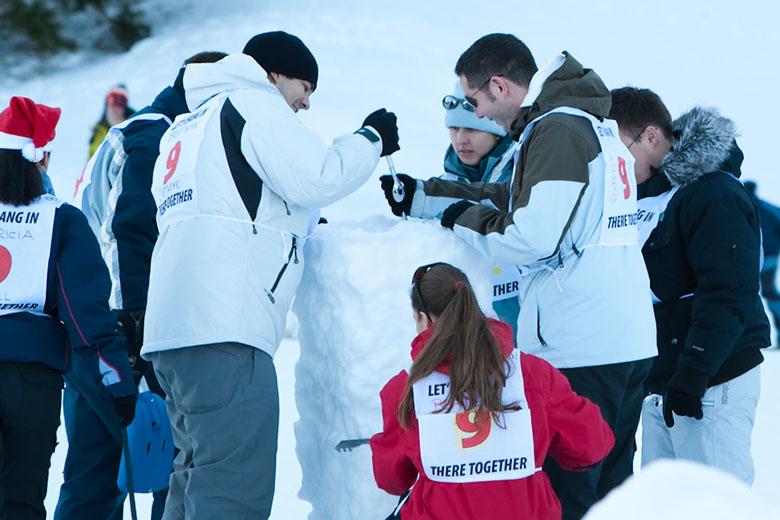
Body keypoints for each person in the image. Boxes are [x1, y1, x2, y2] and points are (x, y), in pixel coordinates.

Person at [380, 34, 656, 519]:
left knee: (571, 499)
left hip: (583, 338)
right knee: (613, 498)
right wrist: (427, 197)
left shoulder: (559, 128)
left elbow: (533, 236)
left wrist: (456, 217)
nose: (475, 114)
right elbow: (517, 198)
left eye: (474, 100)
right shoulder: (586, 123)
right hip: (623, 338)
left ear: (499, 85)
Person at [140, 31, 399, 519]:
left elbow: (233, 206)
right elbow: (318, 174)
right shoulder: (251, 102)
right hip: (224, 328)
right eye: (304, 89)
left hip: (173, 332)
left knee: (194, 477)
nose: (304, 105)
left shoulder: (188, 126)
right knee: (233, 485)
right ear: (275, 74)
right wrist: (370, 138)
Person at [57, 51, 227, 520]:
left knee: (102, 477)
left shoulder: (140, 131)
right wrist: (136, 325)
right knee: (135, 474)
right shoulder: (154, 134)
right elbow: (132, 229)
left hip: (92, 330)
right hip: (118, 337)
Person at [609, 87, 769, 485]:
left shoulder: (713, 192)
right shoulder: (648, 198)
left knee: (715, 505)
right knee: (664, 505)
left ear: (650, 136)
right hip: (666, 383)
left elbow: (728, 289)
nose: (613, 164)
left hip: (713, 382)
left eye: (618, 149)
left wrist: (694, 372)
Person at [370, 262, 614, 519]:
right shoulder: (532, 373)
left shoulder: (407, 387)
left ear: (423, 318)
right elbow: (593, 444)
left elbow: (392, 480)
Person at [0, 96, 136, 520]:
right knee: (20, 503)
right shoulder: (61, 220)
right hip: (31, 382)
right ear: (39, 158)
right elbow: (85, 314)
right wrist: (116, 380)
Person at [437, 81, 521, 338]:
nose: (460, 140)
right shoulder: (444, 183)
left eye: (472, 129)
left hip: (525, 316)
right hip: (469, 323)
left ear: (496, 130)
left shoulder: (524, 175)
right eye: (454, 128)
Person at [744, 180, 780, 341]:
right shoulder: (768, 208)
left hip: (754, 256)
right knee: (767, 291)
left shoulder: (743, 206)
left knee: (750, 292)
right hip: (766, 255)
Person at [88, 85, 135, 158]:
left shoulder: (134, 129)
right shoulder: (97, 133)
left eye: (121, 101)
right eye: (112, 99)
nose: (116, 107)